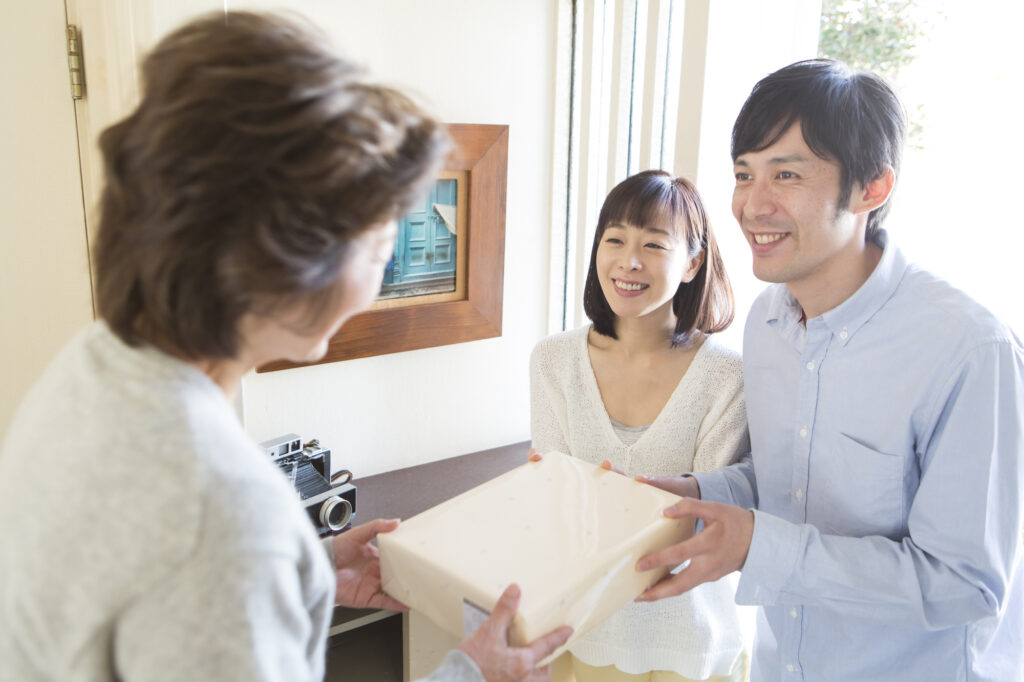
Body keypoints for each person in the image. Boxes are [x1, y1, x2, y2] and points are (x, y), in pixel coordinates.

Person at [0, 11, 570, 682]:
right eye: (380, 238)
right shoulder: (225, 514)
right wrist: (472, 673)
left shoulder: (92, 365)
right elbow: (207, 550)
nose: (383, 270)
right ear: (287, 256)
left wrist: (307, 568)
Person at [632, 59, 1024, 681]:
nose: (752, 205)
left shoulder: (969, 348)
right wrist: (700, 494)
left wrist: (760, 546)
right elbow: (792, 485)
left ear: (872, 188)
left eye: (786, 174)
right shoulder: (766, 322)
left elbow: (965, 585)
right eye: (743, 174)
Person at [530, 170, 752, 682]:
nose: (628, 261)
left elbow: (700, 521)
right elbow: (553, 503)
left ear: (693, 262)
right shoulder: (553, 361)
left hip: (689, 641)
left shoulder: (727, 375)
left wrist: (584, 500)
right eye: (615, 240)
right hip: (581, 630)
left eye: (654, 244)